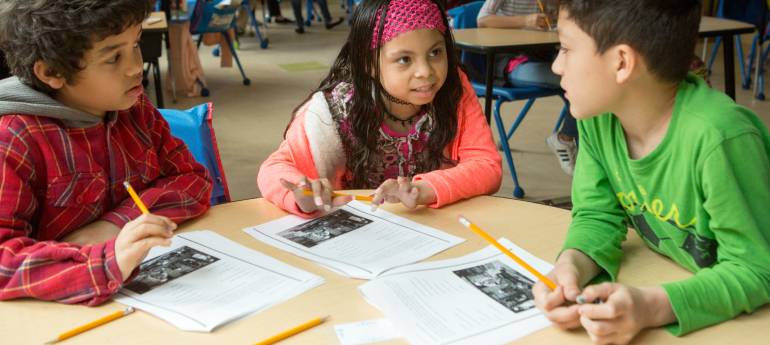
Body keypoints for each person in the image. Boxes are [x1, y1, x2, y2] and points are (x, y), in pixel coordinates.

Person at [531, 1, 770, 344]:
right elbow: (597, 216)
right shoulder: (599, 118)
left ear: (622, 62)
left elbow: (756, 268)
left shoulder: (719, 137)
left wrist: (651, 306)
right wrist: (571, 267)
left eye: (566, 48)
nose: (556, 65)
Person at [0, 0, 213, 305]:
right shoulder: (14, 139)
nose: (136, 66)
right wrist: (106, 260)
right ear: (51, 71)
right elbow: (4, 261)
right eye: (114, 57)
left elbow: (193, 179)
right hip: (58, 313)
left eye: (136, 44)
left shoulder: (134, 110)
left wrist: (116, 223)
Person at [258, 0, 502, 217]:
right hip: (356, 236)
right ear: (369, 64)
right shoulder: (332, 111)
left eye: (435, 53)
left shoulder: (453, 89)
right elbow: (272, 170)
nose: (426, 71)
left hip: (431, 228)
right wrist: (301, 194)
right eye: (404, 59)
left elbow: (486, 165)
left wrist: (423, 190)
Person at [477, 0, 579, 175]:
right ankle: (566, 138)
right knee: (578, 82)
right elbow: (483, 19)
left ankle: (581, 146)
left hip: (543, 57)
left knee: (583, 83)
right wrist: (526, 21)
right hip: (511, 63)